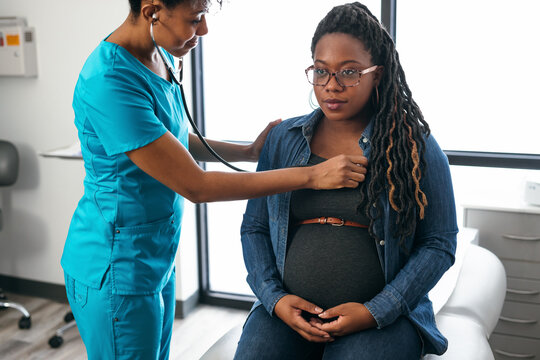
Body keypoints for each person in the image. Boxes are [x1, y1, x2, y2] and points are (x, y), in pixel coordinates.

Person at [60, 1, 368, 359]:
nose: (203, 30)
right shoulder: (109, 81)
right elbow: (196, 186)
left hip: (153, 256)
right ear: (152, 10)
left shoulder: (157, 56)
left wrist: (249, 152)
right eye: (195, 19)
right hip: (115, 265)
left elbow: (168, 140)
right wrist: (312, 175)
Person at [235, 2, 458, 359]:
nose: (331, 86)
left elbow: (439, 242)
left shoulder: (414, 146)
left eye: (349, 72)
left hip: (381, 318)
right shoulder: (284, 140)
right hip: (290, 313)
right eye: (321, 71)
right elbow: (255, 228)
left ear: (378, 74)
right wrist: (274, 300)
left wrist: (377, 310)